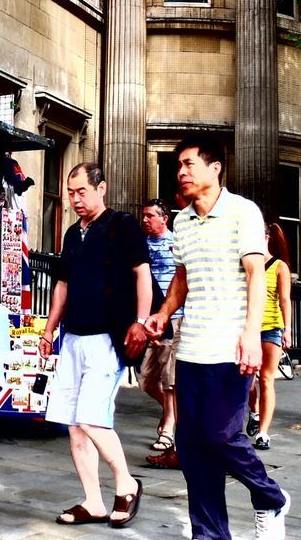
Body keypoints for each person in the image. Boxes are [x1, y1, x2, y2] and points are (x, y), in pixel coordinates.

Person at [144, 136, 291, 540]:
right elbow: (183, 276)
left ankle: (270, 497)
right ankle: (209, 534)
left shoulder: (243, 212)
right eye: (178, 166)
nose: (182, 172)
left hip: (230, 348)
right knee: (193, 448)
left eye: (190, 163)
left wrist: (249, 334)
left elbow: (255, 274)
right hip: (191, 348)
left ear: (215, 168)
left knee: (223, 435)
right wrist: (161, 313)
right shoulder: (181, 221)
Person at [39, 162, 151, 529]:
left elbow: (142, 274)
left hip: (107, 336)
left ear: (101, 188)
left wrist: (142, 322)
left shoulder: (123, 226)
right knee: (74, 424)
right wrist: (48, 330)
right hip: (72, 336)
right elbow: (62, 286)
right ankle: (93, 501)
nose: (74, 199)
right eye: (70, 193)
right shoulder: (72, 234)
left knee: (92, 417)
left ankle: (127, 483)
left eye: (81, 192)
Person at [138, 198, 181, 470]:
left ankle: (169, 428)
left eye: (150, 216)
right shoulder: (139, 247)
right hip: (150, 320)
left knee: (169, 380)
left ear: (164, 218)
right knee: (146, 379)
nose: (145, 220)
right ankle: (170, 412)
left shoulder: (176, 243)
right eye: (143, 216)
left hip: (174, 319)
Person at [247, 223, 292, 451]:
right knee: (247, 379)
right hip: (248, 328)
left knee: (266, 379)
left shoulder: (279, 266)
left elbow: (284, 299)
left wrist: (288, 329)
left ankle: (263, 433)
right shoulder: (246, 264)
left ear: (266, 238)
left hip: (271, 327)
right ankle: (253, 412)